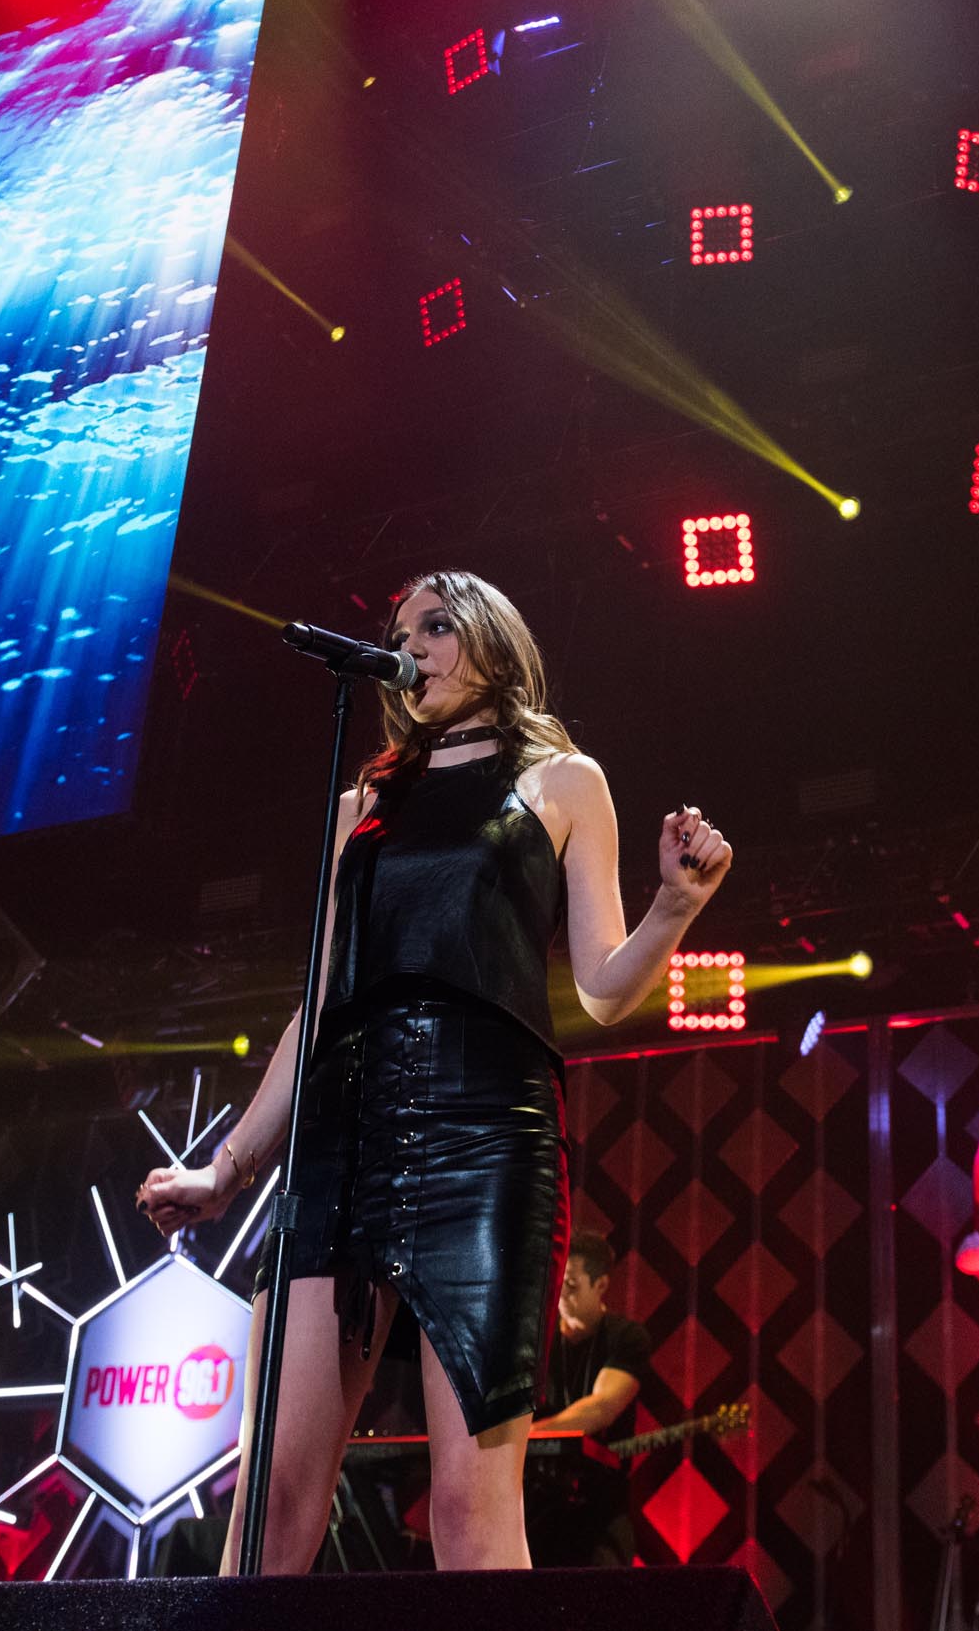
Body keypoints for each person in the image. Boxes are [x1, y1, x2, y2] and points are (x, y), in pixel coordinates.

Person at [140, 571, 734, 1573]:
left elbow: (597, 988)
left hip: (486, 1132)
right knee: (273, 1500)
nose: (412, 645)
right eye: (400, 632)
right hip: (345, 1137)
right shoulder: (362, 803)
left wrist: (674, 908)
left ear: (494, 640)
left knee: (469, 1508)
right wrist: (229, 1167)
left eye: (437, 626)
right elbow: (320, 998)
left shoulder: (564, 781)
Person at [532, 1232, 652, 1567]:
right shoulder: (537, 1338)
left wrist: (528, 1436)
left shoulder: (626, 1337)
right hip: (535, 1505)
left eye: (571, 1284)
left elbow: (602, 1408)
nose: (560, 1293)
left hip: (599, 1507)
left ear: (600, 1285)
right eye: (558, 1281)